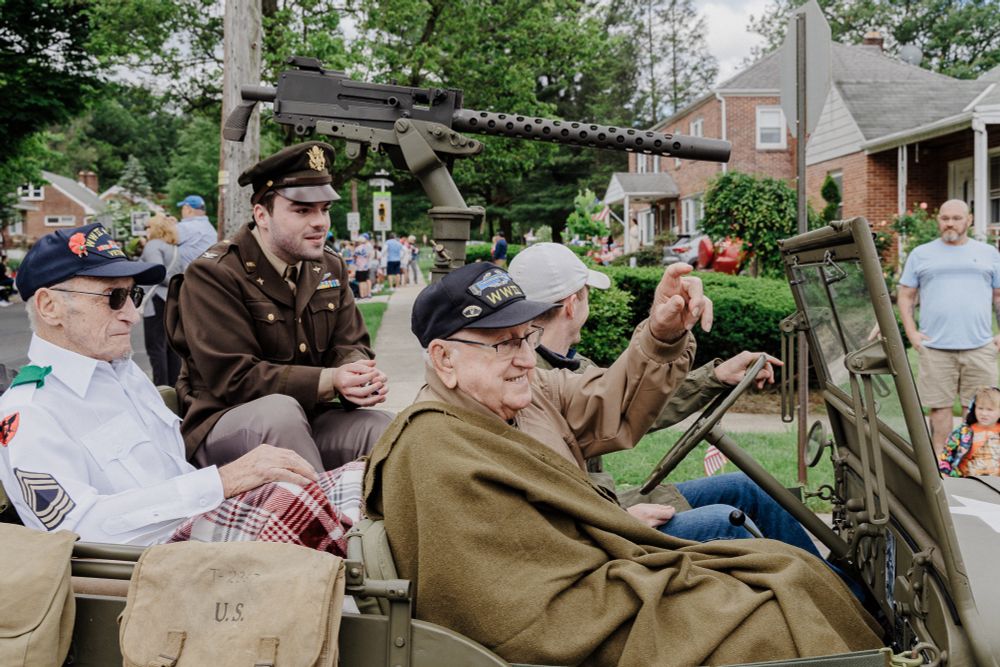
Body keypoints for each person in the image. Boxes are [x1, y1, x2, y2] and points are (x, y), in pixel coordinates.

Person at [363, 262, 881, 665]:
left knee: (783, 571)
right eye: (503, 344)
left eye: (526, 338)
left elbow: (613, 398)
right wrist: (623, 542)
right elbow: (514, 610)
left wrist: (663, 333)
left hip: (604, 561)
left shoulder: (526, 395)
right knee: (763, 607)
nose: (523, 358)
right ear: (444, 358)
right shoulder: (435, 449)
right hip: (580, 605)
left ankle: (868, 630)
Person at [0, 223, 360, 553]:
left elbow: (175, 478)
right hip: (155, 566)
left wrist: (229, 484)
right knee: (303, 501)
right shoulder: (29, 411)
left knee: (364, 479)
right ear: (50, 307)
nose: (133, 314)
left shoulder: (123, 374)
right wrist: (222, 482)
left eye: (133, 295)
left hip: (200, 529)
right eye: (113, 297)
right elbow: (77, 530)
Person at [509, 243, 820, 549]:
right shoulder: (523, 385)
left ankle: (833, 580)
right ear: (572, 304)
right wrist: (617, 519)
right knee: (725, 522)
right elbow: (545, 498)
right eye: (587, 294)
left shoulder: (570, 367)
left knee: (745, 487)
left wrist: (716, 376)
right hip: (592, 527)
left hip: (602, 507)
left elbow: (635, 405)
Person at [166, 141, 393, 474]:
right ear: (262, 215)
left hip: (308, 416)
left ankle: (379, 510)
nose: (320, 222)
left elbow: (350, 343)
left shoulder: (328, 266)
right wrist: (331, 379)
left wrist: (357, 373)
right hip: (224, 422)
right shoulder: (215, 273)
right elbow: (234, 378)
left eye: (324, 209)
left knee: (383, 428)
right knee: (280, 414)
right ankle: (320, 509)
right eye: (303, 211)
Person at [897, 199, 1000, 456]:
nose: (950, 223)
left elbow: (998, 295)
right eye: (945, 218)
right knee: (939, 408)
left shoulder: (989, 253)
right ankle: (941, 465)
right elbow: (906, 295)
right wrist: (911, 333)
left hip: (980, 346)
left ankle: (974, 463)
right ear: (938, 220)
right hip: (935, 348)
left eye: (956, 218)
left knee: (979, 409)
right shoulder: (921, 254)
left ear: (969, 220)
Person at [139, 214, 183, 387]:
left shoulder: (152, 245)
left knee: (155, 348)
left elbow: (158, 272)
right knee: (171, 347)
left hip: (156, 300)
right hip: (171, 299)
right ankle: (174, 387)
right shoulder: (173, 247)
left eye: (148, 227)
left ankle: (161, 388)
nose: (146, 231)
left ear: (156, 229)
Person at [939, 385, 1000, 477]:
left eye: (990, 410)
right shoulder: (962, 432)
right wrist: (946, 476)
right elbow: (946, 456)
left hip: (996, 481)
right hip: (967, 480)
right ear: (974, 408)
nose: (984, 413)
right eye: (980, 408)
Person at [175, 194, 217, 268]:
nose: (181, 211)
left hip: (188, 273)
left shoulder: (185, 226)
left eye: (183, 208)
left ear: (189, 210)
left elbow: (163, 239)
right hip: (206, 270)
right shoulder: (209, 227)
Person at [354, 233, 372, 299]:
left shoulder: (357, 248)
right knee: (366, 279)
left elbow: (355, 257)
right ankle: (367, 294)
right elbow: (369, 256)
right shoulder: (367, 247)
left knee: (361, 281)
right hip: (366, 266)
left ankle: (362, 295)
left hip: (359, 267)